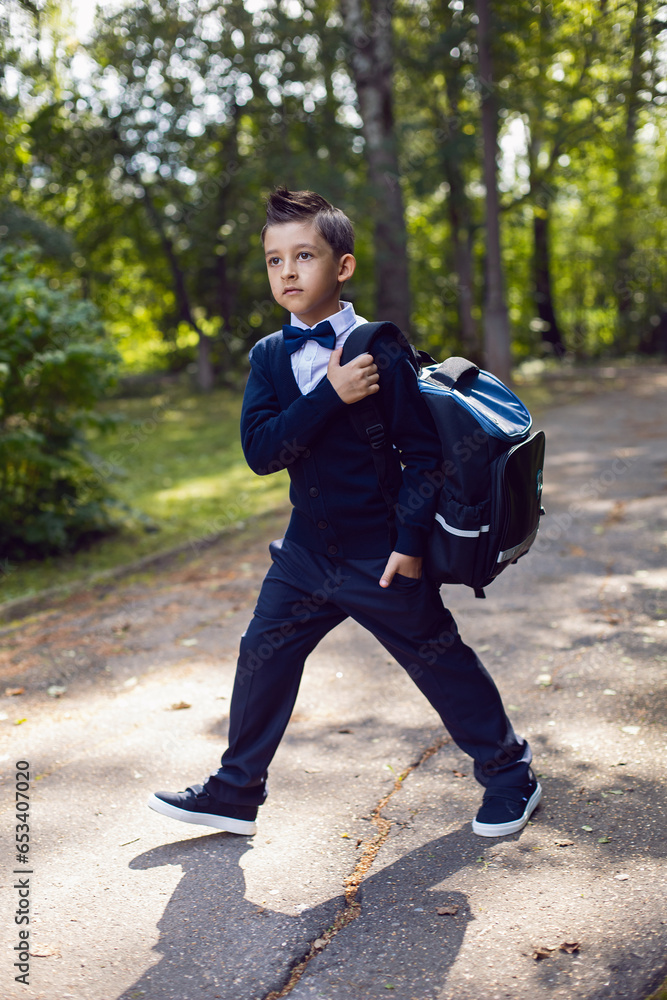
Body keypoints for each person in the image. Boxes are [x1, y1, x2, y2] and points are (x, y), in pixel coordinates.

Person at [148, 188, 541, 839]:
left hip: (381, 552)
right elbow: (261, 451)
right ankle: (234, 791)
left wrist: (410, 544)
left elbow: (423, 455)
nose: (289, 273)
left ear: (343, 266)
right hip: (304, 554)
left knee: (438, 661)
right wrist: (328, 394)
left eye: (304, 256)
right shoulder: (269, 357)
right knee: (262, 655)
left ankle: (510, 775)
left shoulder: (377, 346)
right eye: (275, 261)